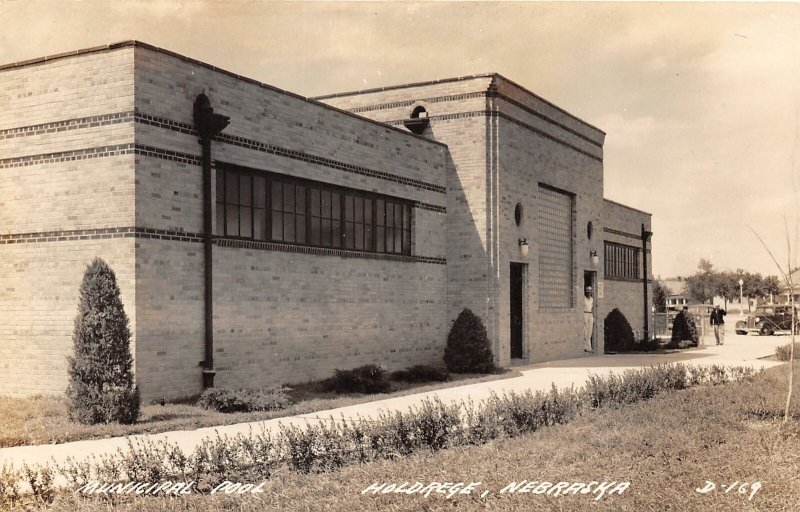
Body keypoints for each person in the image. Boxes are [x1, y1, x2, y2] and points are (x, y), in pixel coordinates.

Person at [583, 286, 594, 352]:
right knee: (585, 330)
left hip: (590, 313)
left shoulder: (592, 299)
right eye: (587, 292)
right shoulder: (583, 298)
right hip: (585, 313)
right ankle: (585, 347)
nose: (588, 293)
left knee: (590, 330)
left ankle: (589, 347)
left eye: (589, 292)